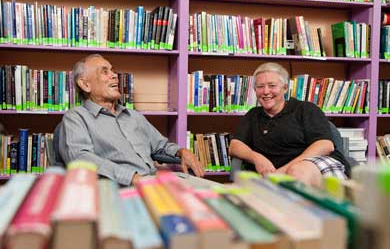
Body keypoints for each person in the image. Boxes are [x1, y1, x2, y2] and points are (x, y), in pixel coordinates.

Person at [59, 54, 204, 186]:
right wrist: (132, 178)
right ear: (85, 84)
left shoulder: (134, 116)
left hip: (153, 183)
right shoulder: (76, 117)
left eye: (113, 71)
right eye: (105, 72)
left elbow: (160, 146)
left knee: (210, 195)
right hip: (119, 189)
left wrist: (181, 151)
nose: (114, 75)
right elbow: (80, 158)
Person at [229, 62, 348, 187]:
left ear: (285, 88)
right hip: (271, 177)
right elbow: (235, 146)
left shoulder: (305, 109)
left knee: (297, 172)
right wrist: (257, 158)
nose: (266, 91)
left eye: (272, 85)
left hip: (312, 166)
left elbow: (325, 145)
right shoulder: (253, 115)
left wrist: (285, 170)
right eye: (260, 86)